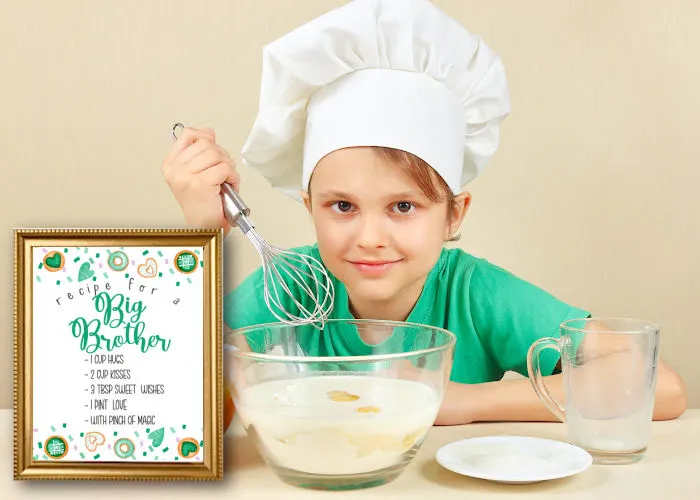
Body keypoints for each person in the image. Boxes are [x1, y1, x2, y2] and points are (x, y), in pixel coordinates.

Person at [161, 0, 687, 425]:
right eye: (342, 206)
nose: (370, 236)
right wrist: (202, 237)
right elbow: (178, 396)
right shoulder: (292, 290)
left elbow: (658, 386)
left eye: (403, 206)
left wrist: (464, 402)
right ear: (309, 206)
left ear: (454, 215)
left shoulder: (474, 295)